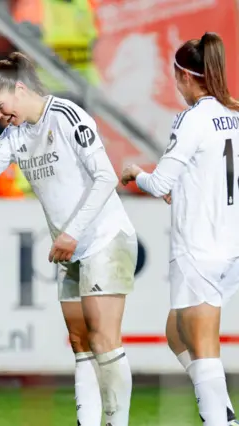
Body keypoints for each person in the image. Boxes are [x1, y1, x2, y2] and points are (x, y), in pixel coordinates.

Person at [0, 52, 137, 426]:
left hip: (103, 238)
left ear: (18, 89)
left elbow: (106, 178)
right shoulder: (15, 135)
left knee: (104, 340)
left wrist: (71, 233)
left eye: (0, 107)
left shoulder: (67, 115)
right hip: (70, 248)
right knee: (81, 344)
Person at [122, 32, 239, 426]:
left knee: (205, 347)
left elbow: (159, 184)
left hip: (199, 247)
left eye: (176, 76)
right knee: (177, 331)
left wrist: (136, 173)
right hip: (232, 246)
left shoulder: (192, 119)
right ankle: (220, 407)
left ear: (186, 76)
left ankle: (217, 419)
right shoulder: (234, 115)